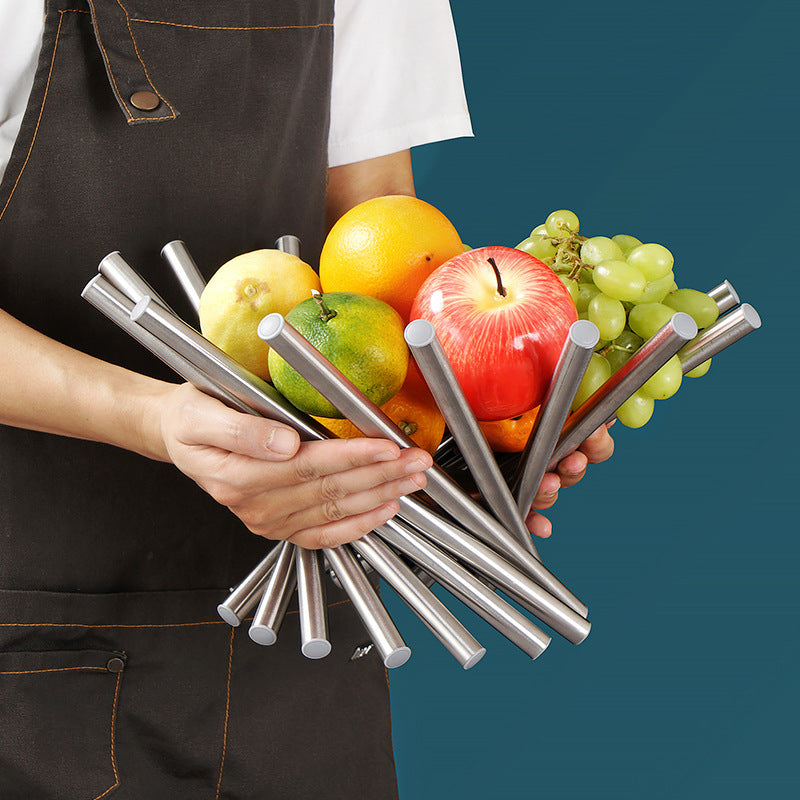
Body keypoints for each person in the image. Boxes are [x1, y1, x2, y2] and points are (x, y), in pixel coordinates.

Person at [0, 2, 614, 797]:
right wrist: (157, 419)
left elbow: (383, 244)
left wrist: (462, 432)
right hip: (35, 639)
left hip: (307, 643)